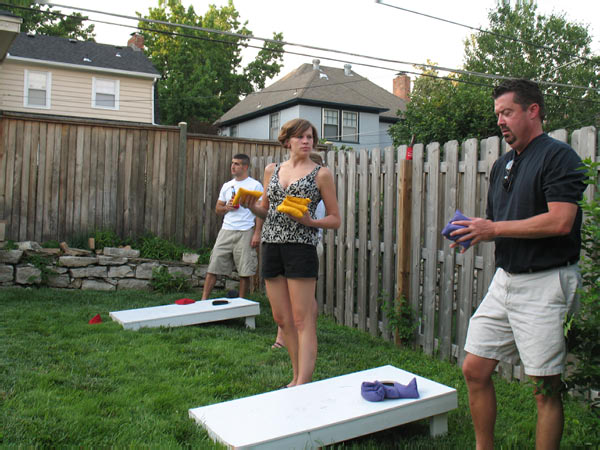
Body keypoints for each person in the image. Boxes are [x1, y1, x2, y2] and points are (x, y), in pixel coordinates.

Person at [450, 79, 586, 450]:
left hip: (547, 283)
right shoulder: (503, 164)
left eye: (507, 112)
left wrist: (492, 228)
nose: (501, 121)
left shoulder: (559, 157)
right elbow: (502, 224)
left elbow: (560, 221)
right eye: (498, 115)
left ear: (533, 110)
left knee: (544, 388)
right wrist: (477, 232)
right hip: (506, 280)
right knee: (474, 369)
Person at [243, 119, 340, 387]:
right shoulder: (272, 170)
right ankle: (296, 375)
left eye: (310, 137)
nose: (307, 141)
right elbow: (266, 209)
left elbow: (335, 219)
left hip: (301, 247)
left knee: (302, 318)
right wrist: (251, 207)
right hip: (272, 245)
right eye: (300, 137)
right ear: (287, 141)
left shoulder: (321, 174)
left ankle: (303, 382)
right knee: (281, 318)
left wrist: (311, 222)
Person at [271, 152, 326, 350]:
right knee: (293, 296)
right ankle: (292, 335)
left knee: (301, 298)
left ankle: (298, 335)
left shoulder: (314, 193)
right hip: (289, 245)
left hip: (307, 246)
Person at [201, 154, 263, 300]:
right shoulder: (227, 186)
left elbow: (260, 212)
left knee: (244, 270)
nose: (233, 166)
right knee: (214, 265)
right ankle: (203, 300)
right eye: (232, 163)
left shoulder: (254, 185)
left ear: (245, 167)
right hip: (226, 230)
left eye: (237, 164)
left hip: (246, 230)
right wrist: (226, 207)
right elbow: (217, 209)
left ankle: (241, 302)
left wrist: (256, 233)